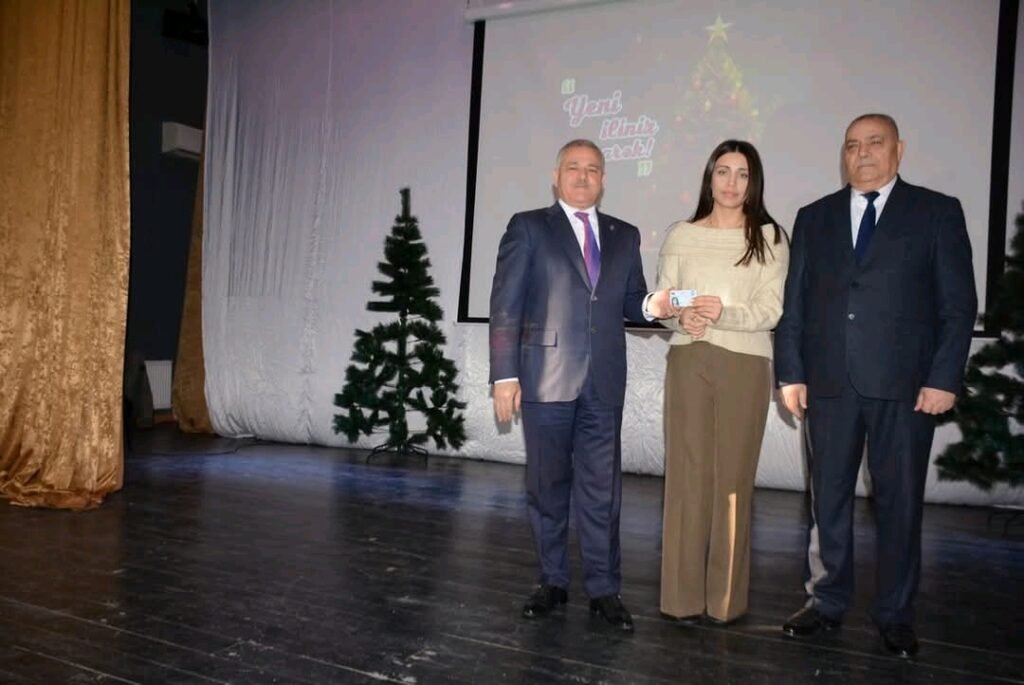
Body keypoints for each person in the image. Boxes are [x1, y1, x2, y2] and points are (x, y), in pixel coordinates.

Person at [774, 113, 977, 657]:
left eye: (874, 143)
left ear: (898, 150)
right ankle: (825, 601)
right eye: (852, 146)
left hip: (905, 387)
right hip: (828, 383)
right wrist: (790, 371)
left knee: (900, 503)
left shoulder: (937, 212)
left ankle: (895, 613)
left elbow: (958, 305)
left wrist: (943, 377)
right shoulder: (814, 216)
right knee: (828, 499)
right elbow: (795, 302)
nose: (862, 154)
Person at [489, 139, 675, 632]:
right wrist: (505, 374)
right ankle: (552, 581)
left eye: (593, 169)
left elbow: (631, 301)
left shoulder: (624, 235)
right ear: (556, 176)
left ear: (604, 179)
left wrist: (655, 306)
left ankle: (604, 589)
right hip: (544, 379)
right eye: (573, 167)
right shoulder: (528, 227)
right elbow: (505, 304)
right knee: (547, 488)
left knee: (602, 493)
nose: (583, 176)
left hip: (604, 382)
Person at [656, 140, 789, 625]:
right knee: (686, 479)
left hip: (745, 364)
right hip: (688, 358)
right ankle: (680, 598)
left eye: (743, 174)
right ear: (709, 177)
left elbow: (771, 308)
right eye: (723, 172)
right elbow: (665, 299)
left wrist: (723, 313)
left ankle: (726, 601)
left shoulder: (770, 237)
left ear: (754, 183)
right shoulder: (681, 234)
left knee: (732, 480)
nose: (732, 183)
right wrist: (682, 316)